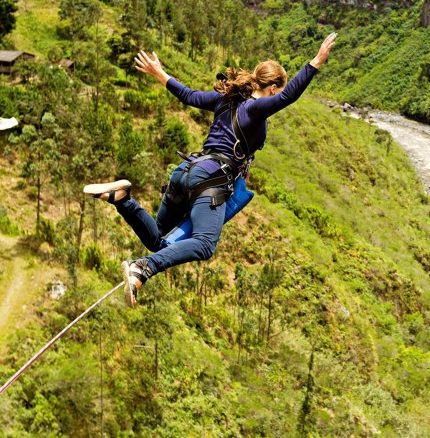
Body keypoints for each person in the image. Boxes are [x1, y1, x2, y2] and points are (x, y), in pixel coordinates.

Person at [83, 33, 337, 307]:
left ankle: (123, 199)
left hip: (185, 172)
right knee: (204, 245)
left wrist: (159, 72)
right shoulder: (257, 108)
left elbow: (189, 95)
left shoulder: (224, 100)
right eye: (277, 89)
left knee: (158, 240)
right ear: (272, 87)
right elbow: (289, 97)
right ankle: (143, 268)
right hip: (210, 181)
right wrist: (316, 61)